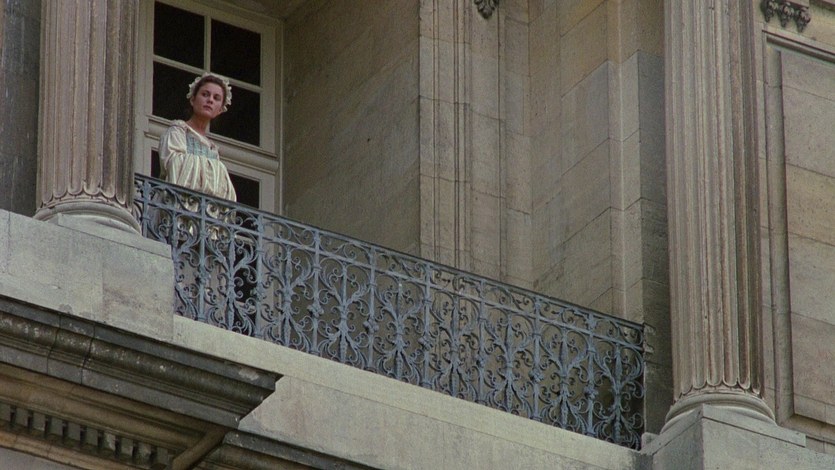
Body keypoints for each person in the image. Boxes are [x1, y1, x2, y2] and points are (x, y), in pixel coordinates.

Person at [159, 73, 237, 202]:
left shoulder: (213, 149)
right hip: (179, 203)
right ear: (192, 99)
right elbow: (173, 166)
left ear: (220, 110)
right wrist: (214, 169)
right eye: (205, 94)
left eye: (216, 98)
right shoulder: (178, 131)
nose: (210, 100)